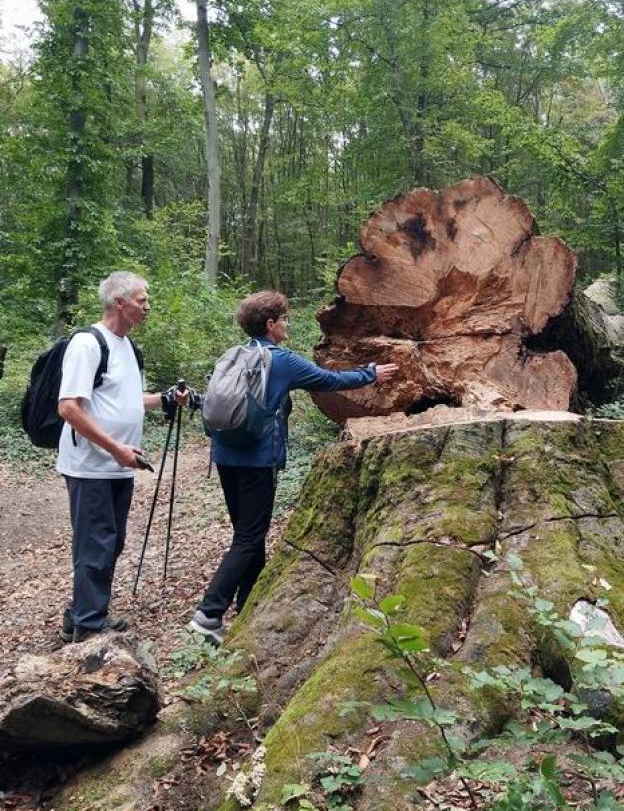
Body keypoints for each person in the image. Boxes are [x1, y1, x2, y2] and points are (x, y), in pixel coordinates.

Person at [189, 290, 398, 645]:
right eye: (284, 318)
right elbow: (329, 380)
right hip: (257, 459)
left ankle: (246, 609)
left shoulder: (233, 354)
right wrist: (370, 374)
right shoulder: (281, 361)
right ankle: (209, 613)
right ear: (271, 324)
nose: (288, 324)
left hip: (225, 454)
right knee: (249, 537)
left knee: (248, 536)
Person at [57, 271, 187, 643]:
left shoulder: (127, 346)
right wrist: (115, 449)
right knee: (95, 543)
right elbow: (69, 407)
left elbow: (123, 399)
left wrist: (162, 398)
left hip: (118, 466)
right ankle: (89, 628)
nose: (147, 307)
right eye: (142, 300)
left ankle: (80, 612)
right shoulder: (87, 343)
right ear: (119, 302)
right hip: (91, 465)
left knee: (109, 543)